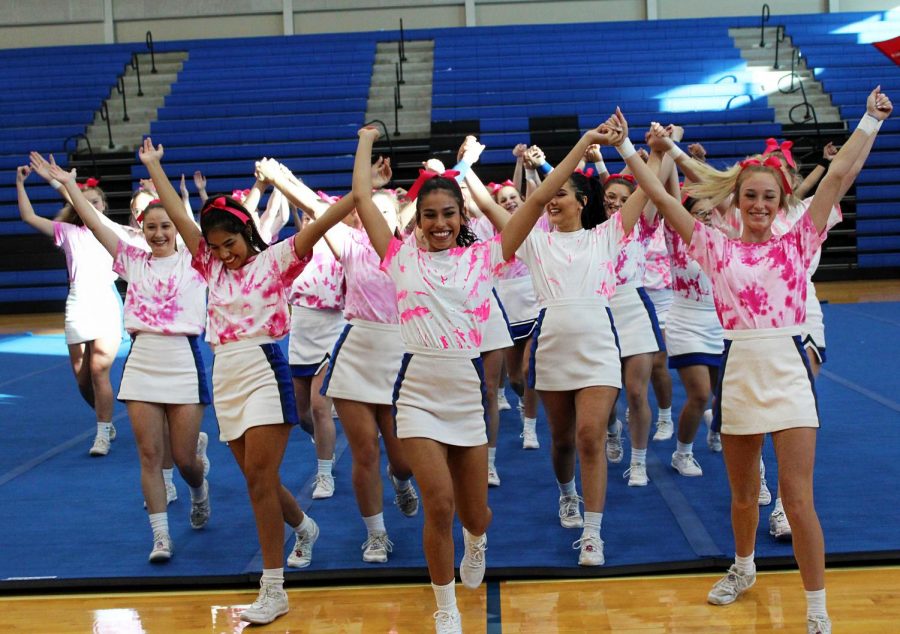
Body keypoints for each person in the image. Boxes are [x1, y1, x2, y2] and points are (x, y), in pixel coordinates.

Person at [624, 88, 892, 634]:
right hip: (741, 368)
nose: (760, 206)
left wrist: (870, 119)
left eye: (770, 197)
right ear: (736, 199)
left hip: (790, 372)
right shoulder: (713, 246)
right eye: (751, 197)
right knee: (744, 495)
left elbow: (839, 175)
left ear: (781, 198)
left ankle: (817, 608)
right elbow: (663, 195)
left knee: (797, 499)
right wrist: (631, 149)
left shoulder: (800, 241)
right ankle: (743, 567)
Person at [138, 136, 353, 625]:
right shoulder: (209, 265)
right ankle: (304, 527)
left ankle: (273, 588)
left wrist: (354, 197)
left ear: (247, 234)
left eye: (229, 243)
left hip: (265, 367)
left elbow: (320, 223)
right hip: (227, 373)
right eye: (214, 247)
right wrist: (155, 168)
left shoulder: (275, 260)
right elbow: (183, 219)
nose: (223, 253)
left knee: (258, 480)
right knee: (260, 479)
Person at [465, 118, 638, 572]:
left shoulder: (607, 235)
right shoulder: (533, 241)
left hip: (599, 345)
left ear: (583, 202)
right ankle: (567, 495)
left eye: (563, 192)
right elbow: (488, 208)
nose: (553, 198)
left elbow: (650, 192)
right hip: (553, 347)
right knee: (561, 441)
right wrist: (465, 168)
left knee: (588, 437)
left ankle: (593, 534)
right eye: (550, 193)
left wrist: (640, 148)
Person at [256, 157, 420, 565]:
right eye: (370, 212)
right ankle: (376, 534)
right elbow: (314, 208)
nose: (376, 217)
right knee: (364, 451)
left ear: (399, 219)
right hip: (356, 351)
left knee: (401, 458)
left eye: (386, 212)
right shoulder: (349, 245)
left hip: (399, 355)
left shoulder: (411, 251)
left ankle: (400, 480)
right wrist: (281, 178)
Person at [50, 164, 211, 563]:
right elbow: (96, 222)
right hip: (142, 361)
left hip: (183, 360)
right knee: (149, 455)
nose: (158, 233)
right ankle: (160, 537)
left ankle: (198, 488)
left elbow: (184, 218)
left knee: (186, 459)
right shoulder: (131, 260)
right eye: (151, 227)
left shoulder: (196, 260)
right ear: (142, 229)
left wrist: (156, 171)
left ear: (177, 228)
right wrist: (69, 186)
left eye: (166, 226)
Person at [19, 154, 122, 456]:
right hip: (78, 303)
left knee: (99, 369)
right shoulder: (67, 232)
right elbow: (28, 217)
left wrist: (58, 181)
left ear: (104, 206)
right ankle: (105, 418)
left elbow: (80, 202)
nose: (92, 205)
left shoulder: (110, 229)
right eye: (85, 201)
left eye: (97, 202)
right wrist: (20, 183)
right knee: (82, 378)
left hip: (104, 302)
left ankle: (102, 433)